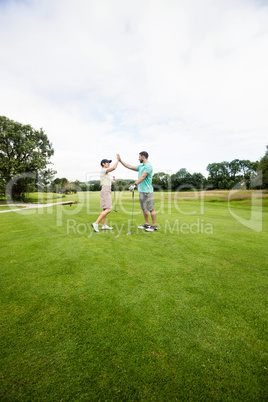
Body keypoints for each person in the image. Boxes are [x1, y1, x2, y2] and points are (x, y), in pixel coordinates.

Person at [117, 151, 157, 232]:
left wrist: (134, 184)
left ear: (143, 157)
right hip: (141, 191)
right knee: (144, 208)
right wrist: (120, 161)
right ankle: (147, 224)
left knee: (151, 209)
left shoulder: (148, 166)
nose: (138, 158)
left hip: (148, 191)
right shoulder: (141, 166)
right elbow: (130, 166)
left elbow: (143, 177)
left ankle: (154, 226)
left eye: (139, 157)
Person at [91, 156, 119, 233]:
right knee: (108, 209)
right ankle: (96, 223)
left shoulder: (105, 172)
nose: (109, 164)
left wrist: (113, 181)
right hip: (106, 190)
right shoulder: (104, 170)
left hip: (106, 190)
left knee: (104, 209)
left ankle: (104, 225)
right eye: (107, 163)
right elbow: (113, 168)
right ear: (103, 164)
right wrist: (118, 160)